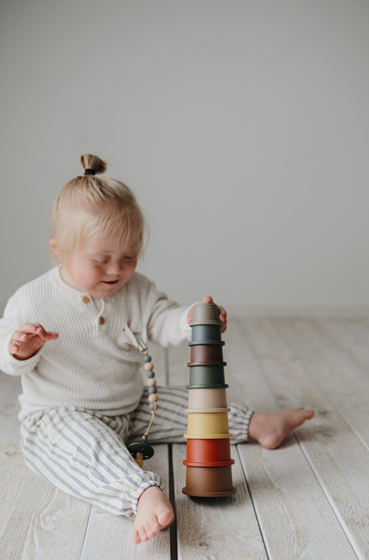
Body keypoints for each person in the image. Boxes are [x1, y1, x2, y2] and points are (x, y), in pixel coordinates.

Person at [0, 155, 314, 544]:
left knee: (191, 406)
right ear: (60, 250)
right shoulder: (32, 300)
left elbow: (162, 319)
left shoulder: (137, 290)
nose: (116, 270)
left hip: (131, 408)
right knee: (88, 449)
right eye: (101, 261)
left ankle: (257, 424)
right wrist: (20, 349)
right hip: (59, 416)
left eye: (129, 257)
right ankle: (142, 494)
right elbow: (7, 360)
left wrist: (193, 319)